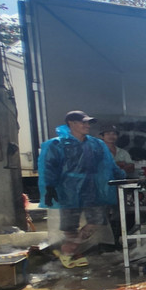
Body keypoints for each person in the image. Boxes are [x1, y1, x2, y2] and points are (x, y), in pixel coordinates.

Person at [39, 110, 126, 268]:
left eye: (88, 123)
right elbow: (49, 167)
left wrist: (121, 176)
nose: (87, 126)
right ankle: (73, 254)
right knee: (69, 225)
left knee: (97, 220)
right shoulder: (56, 144)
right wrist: (49, 187)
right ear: (71, 123)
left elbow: (108, 164)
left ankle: (68, 249)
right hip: (67, 189)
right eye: (83, 122)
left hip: (92, 188)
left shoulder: (96, 144)